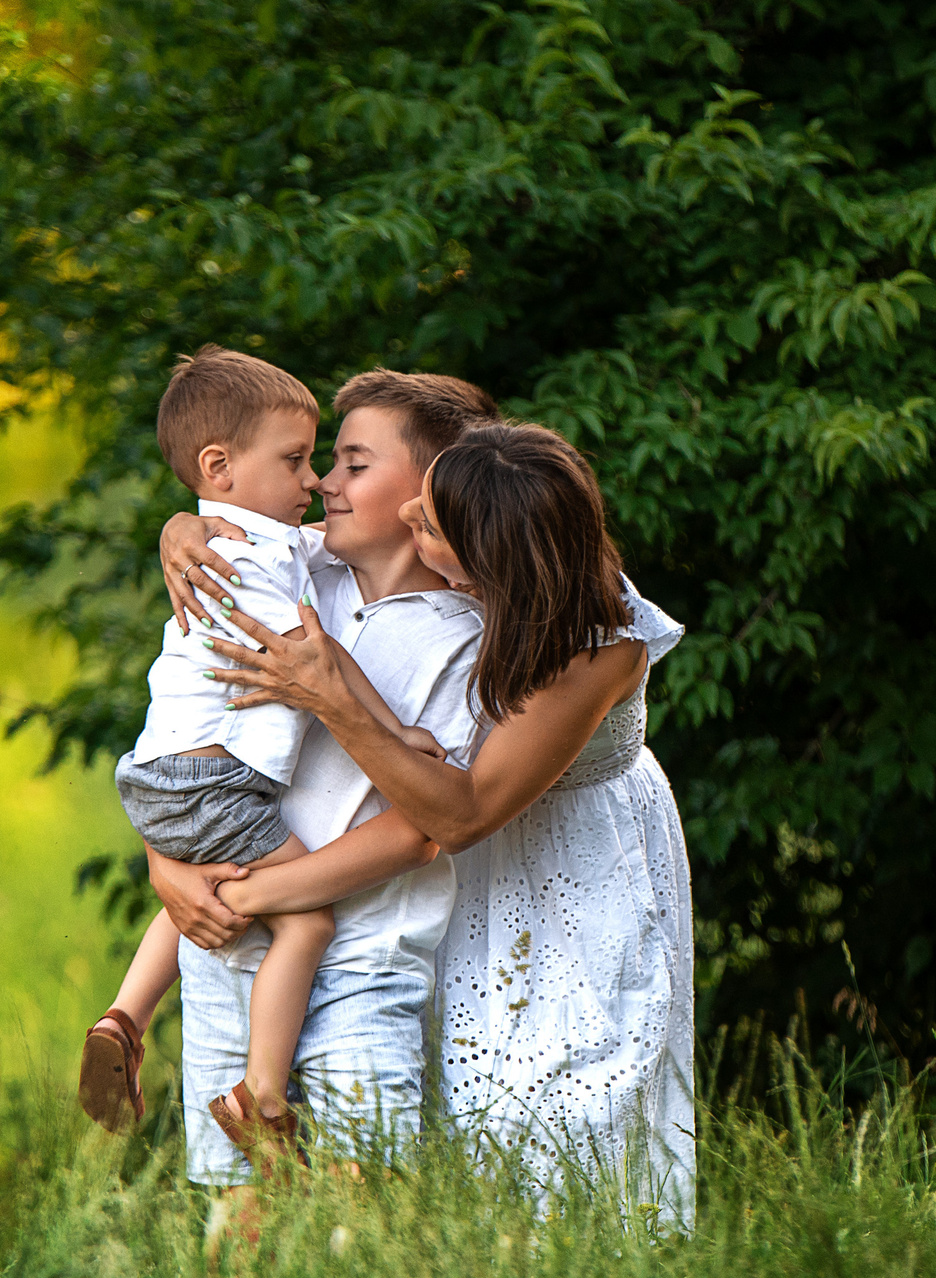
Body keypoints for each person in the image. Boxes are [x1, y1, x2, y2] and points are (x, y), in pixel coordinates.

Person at [192, 422, 698, 1223]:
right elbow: (247, 533)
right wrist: (179, 531)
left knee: (572, 1095)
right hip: (476, 871)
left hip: (575, 871)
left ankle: (588, 1266)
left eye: (427, 523)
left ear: (490, 556)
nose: (406, 521)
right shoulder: (464, 567)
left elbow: (463, 814)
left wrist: (330, 697)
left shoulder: (600, 645)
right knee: (464, 1093)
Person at [140, 370, 501, 1217]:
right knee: (239, 1208)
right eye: (320, 461)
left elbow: (419, 831)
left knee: (360, 1201)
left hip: (367, 956)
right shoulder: (291, 568)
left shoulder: (466, 639)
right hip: (231, 954)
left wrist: (247, 893)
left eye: (352, 465)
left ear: (431, 493)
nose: (323, 482)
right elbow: (184, 732)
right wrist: (179, 525)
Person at [76, 348, 449, 1171]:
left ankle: (125, 1017)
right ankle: (261, 1096)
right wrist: (394, 732)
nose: (315, 481)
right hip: (214, 786)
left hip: (170, 776)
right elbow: (320, 664)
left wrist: (183, 519)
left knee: (207, 885)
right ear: (220, 466)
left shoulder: (263, 548)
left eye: (338, 462)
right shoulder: (248, 560)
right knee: (304, 921)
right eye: (300, 460)